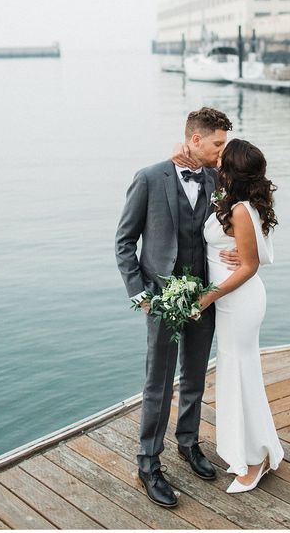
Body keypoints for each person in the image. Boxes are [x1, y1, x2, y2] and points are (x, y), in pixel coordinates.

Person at [115, 107, 238, 508]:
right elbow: (124, 242)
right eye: (217, 144)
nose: (223, 152)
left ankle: (188, 443)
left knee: (196, 377)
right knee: (157, 383)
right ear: (196, 140)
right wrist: (142, 295)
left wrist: (240, 252)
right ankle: (148, 463)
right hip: (161, 299)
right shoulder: (149, 177)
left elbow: (237, 214)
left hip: (204, 296)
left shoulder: (218, 176)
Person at [196, 138, 285, 493]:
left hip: (240, 300)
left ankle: (255, 458)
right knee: (236, 373)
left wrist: (206, 298)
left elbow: (248, 266)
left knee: (241, 374)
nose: (217, 163)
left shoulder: (240, 210)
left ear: (231, 171)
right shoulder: (237, 204)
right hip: (233, 300)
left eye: (223, 160)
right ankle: (252, 449)